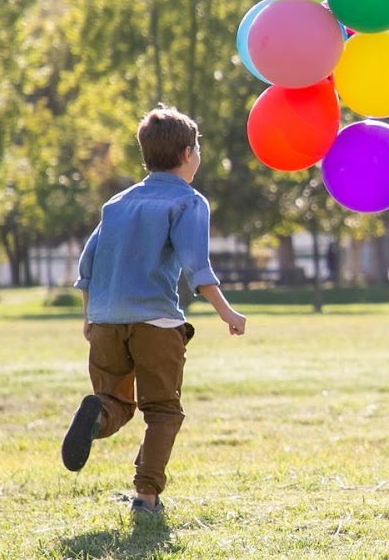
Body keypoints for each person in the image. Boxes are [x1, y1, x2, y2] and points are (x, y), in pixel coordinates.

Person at [60, 104, 248, 517]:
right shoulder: (188, 202)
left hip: (107, 321)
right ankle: (145, 497)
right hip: (156, 323)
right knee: (162, 411)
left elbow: (87, 265)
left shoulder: (118, 203)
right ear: (186, 154)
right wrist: (228, 313)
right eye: (197, 148)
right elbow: (197, 268)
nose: (198, 155)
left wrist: (89, 317)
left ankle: (98, 415)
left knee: (115, 402)